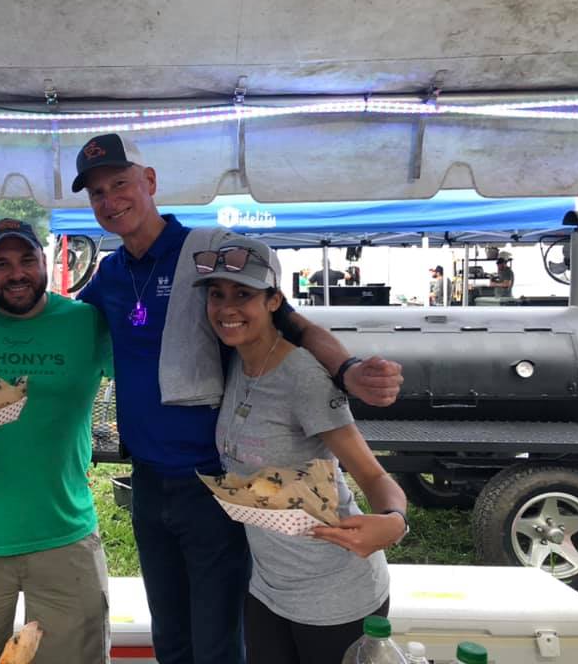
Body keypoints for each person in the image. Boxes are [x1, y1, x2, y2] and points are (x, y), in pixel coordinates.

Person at [69, 132, 404, 664]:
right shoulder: (109, 274)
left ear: (149, 182)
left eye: (120, 184)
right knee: (171, 634)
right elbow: (58, 323)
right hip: (148, 483)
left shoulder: (207, 251)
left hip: (212, 483)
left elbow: (288, 320)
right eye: (96, 194)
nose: (110, 201)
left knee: (218, 635)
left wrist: (346, 368)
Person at [192, 236, 408, 664]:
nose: (227, 308)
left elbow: (372, 476)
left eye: (244, 294)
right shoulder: (236, 361)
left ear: (275, 301)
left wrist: (394, 523)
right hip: (268, 590)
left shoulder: (301, 376)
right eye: (217, 295)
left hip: (336, 594)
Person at [0, 218, 112, 664]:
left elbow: (150, 368)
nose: (17, 273)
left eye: (27, 259)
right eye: (1, 263)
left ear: (45, 260)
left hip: (64, 534)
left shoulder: (85, 322)